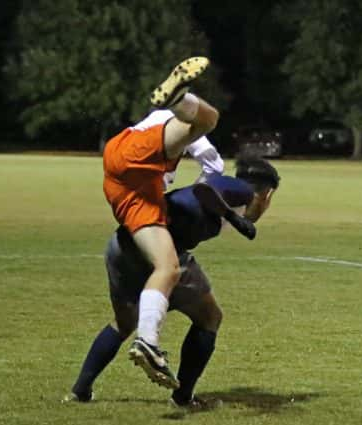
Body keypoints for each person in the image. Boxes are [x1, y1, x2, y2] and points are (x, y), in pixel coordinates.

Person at [68, 157, 280, 407]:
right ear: (267, 194)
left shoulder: (233, 193)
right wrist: (234, 219)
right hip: (159, 249)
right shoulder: (241, 190)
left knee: (125, 322)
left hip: (124, 243)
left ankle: (79, 391)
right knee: (209, 317)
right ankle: (182, 397)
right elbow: (205, 190)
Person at [102, 56, 220, 388]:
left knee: (166, 266)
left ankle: (148, 342)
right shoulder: (169, 132)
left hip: (123, 178)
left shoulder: (154, 126)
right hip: (141, 161)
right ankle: (180, 97)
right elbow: (215, 166)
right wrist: (198, 198)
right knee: (209, 120)